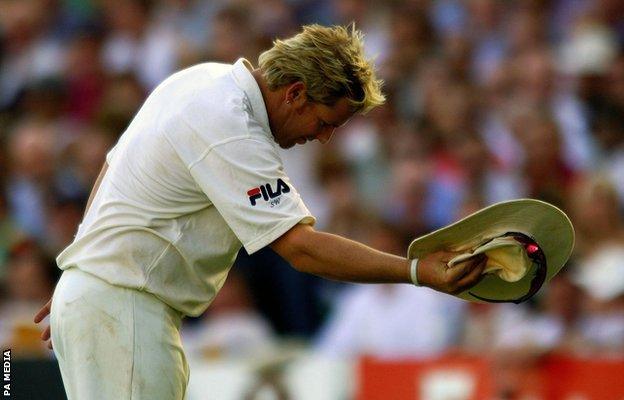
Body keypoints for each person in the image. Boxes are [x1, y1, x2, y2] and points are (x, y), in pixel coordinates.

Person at [33, 24, 487, 399]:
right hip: (124, 306)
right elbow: (302, 250)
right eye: (326, 122)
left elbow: (113, 168)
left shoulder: (199, 78)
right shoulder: (231, 129)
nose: (324, 138)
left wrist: (84, 266)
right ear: (294, 93)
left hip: (105, 297)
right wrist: (415, 272)